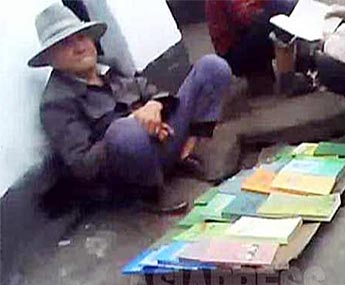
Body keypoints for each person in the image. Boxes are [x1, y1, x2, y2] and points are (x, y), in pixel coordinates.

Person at [29, 4, 232, 213]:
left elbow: (153, 91)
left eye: (81, 38)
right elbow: (84, 165)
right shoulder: (56, 103)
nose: (79, 47)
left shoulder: (109, 67)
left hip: (165, 139)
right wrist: (134, 123)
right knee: (125, 133)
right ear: (52, 58)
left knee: (211, 67)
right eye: (66, 44)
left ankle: (184, 155)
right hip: (130, 171)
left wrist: (154, 106)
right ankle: (151, 192)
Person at [205, 0, 296, 79]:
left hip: (247, 35)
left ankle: (300, 67)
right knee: (272, 25)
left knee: (286, 8)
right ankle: (287, 78)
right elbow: (244, 18)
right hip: (233, 54)